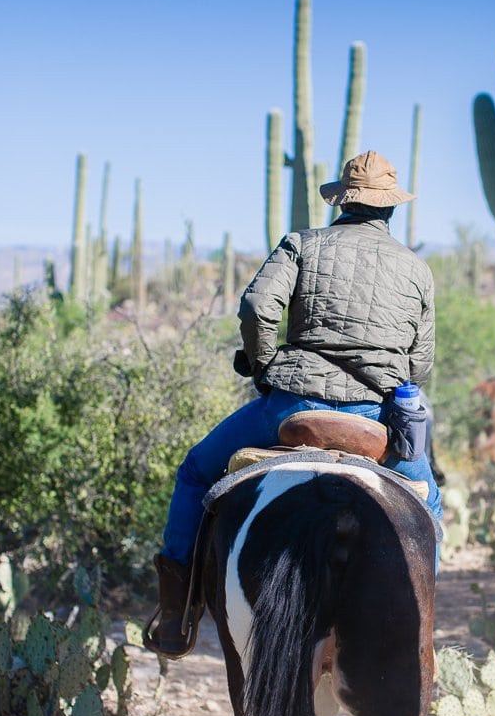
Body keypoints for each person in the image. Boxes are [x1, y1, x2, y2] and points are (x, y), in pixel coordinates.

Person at [145, 150, 443, 658]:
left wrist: (260, 363)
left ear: (341, 203)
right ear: (390, 209)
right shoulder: (416, 270)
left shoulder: (302, 245)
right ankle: (417, 630)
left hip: (292, 409)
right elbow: (421, 361)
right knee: (428, 504)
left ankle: (177, 615)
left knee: (195, 472)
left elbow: (258, 307)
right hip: (376, 420)